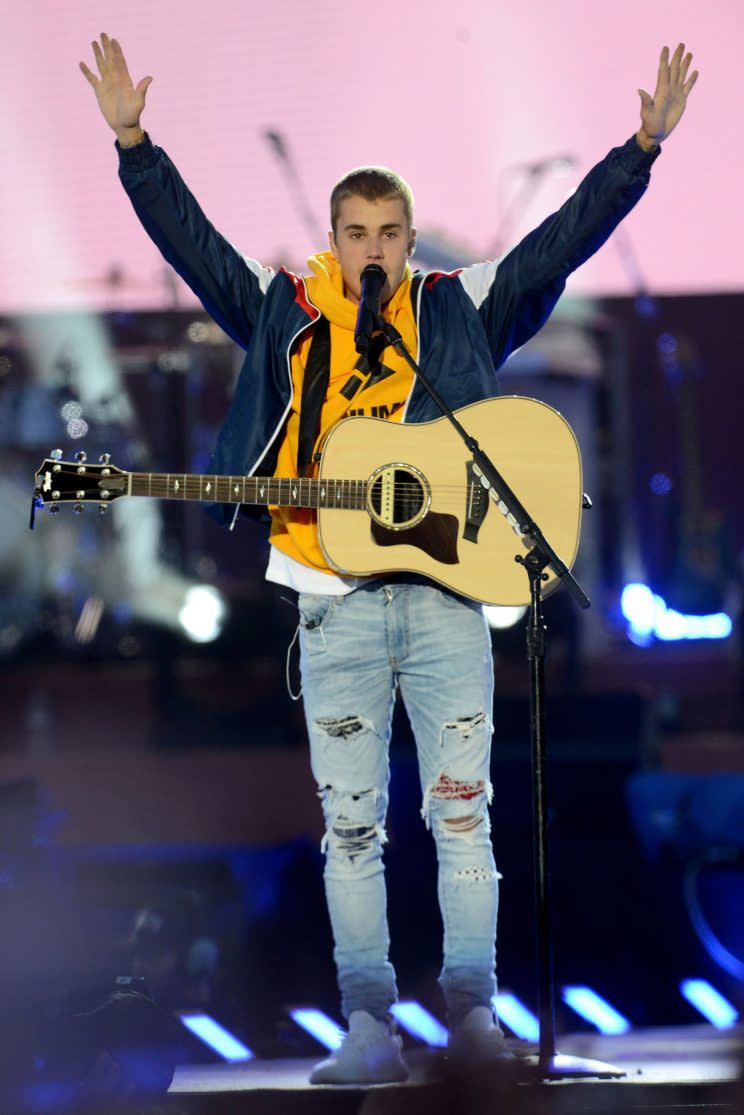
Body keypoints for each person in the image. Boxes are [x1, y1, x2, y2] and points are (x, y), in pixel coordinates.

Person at [80, 34, 698, 1085]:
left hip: (451, 596)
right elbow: (199, 250)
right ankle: (370, 1026)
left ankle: (474, 1021)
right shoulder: (290, 314)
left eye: (390, 232)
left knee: (465, 817)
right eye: (356, 232)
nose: (373, 248)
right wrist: (136, 143)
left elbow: (560, 243)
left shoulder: (458, 310)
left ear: (411, 239)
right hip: (334, 606)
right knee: (351, 829)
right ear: (334, 237)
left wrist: (640, 148)